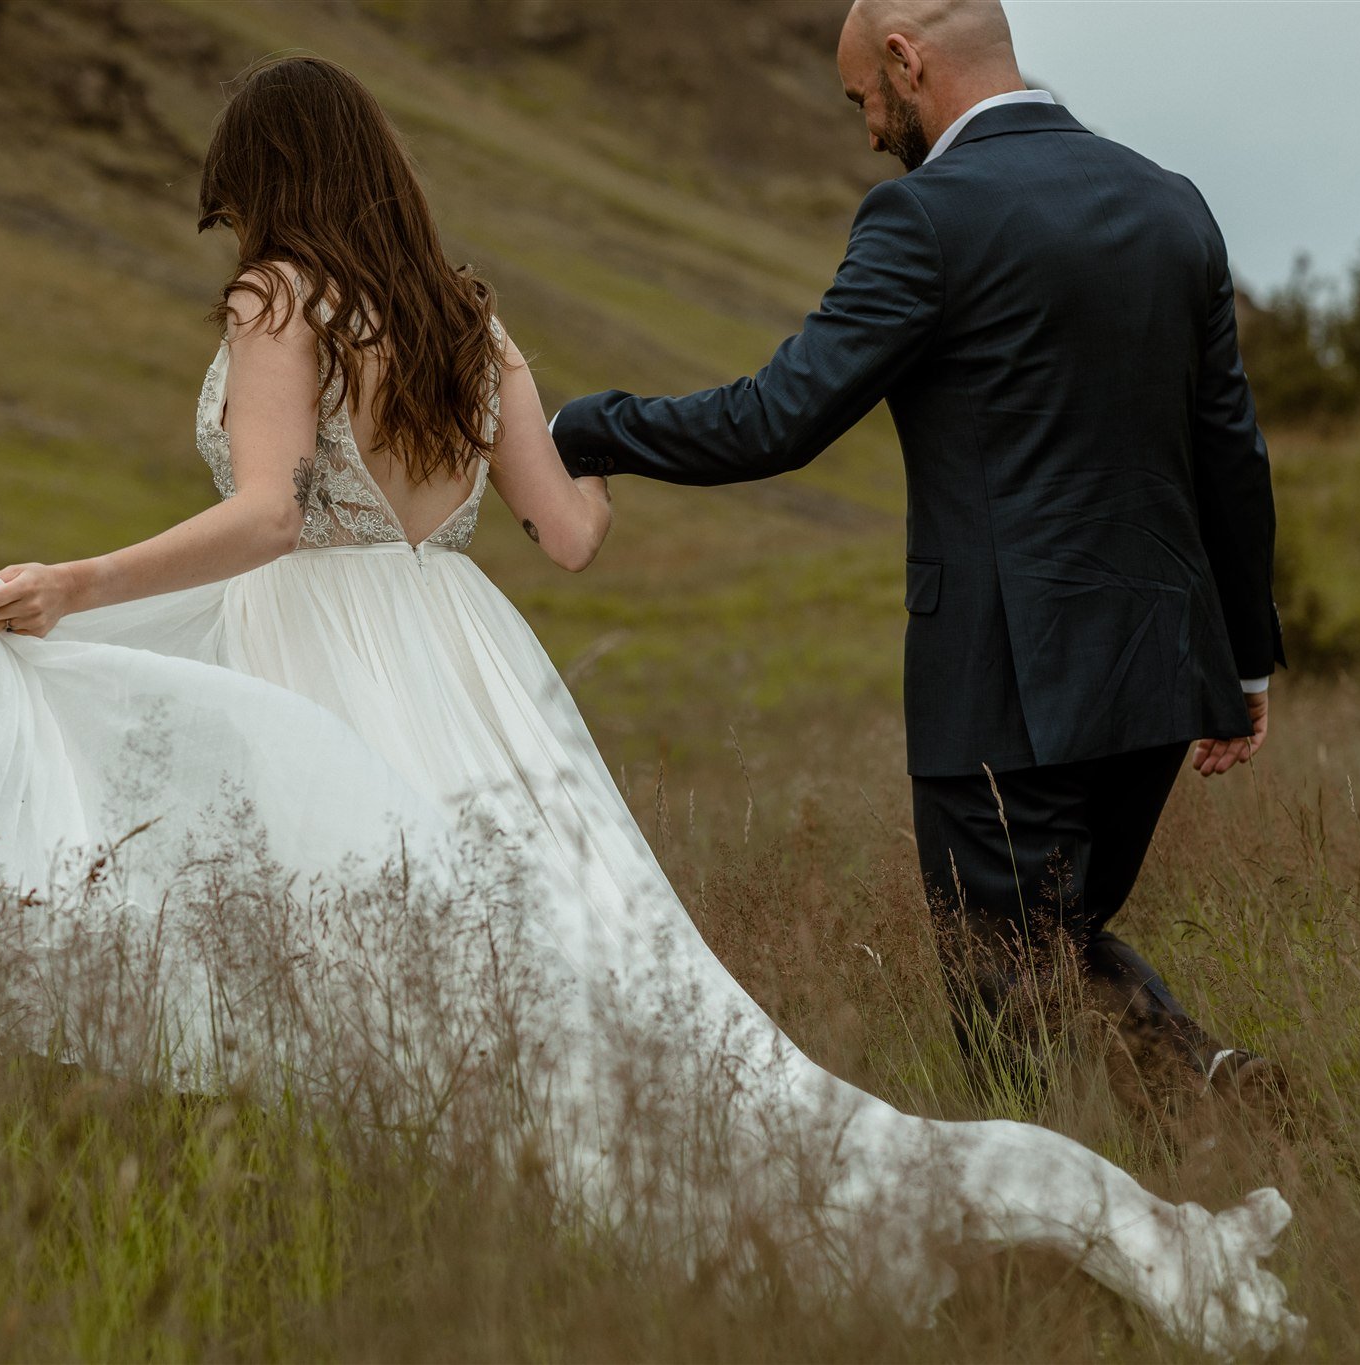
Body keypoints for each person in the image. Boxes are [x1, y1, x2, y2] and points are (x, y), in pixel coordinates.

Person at [0, 52, 1301, 1353]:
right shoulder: (468, 318)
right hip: (472, 661)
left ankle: (416, 1241)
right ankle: (1058, 1210)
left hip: (329, 658)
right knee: (579, 983)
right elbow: (569, 535)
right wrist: (580, 453)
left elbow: (270, 517)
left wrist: (78, 581)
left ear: (270, 183)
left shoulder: (281, 300)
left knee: (369, 981)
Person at [549, 0, 1287, 1112]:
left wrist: (583, 430)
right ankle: (1219, 1102)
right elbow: (1229, 446)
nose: (865, 130)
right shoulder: (1167, 203)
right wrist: (1240, 664)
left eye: (861, 99)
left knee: (1005, 1006)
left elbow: (774, 421)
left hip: (1004, 682)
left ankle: (1136, 1170)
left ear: (905, 58)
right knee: (1053, 949)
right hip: (1155, 675)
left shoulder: (925, 219)